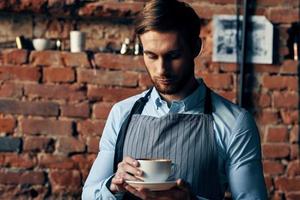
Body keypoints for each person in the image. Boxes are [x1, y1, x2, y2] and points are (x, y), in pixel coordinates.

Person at [82, 0, 268, 199]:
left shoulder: (235, 123)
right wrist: (113, 186)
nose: (161, 69)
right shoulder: (122, 113)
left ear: (195, 47)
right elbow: (89, 195)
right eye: (151, 56)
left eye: (173, 55)